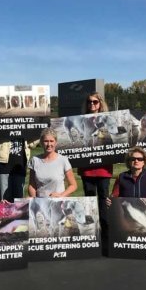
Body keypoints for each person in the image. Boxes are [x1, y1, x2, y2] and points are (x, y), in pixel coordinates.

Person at [77, 92, 113, 236]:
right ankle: (91, 233)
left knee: (104, 201)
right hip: (87, 169)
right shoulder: (80, 120)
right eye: (89, 102)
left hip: (104, 169)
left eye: (95, 102)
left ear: (100, 103)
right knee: (89, 201)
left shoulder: (108, 119)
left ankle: (105, 232)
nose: (92, 104)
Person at [28, 128, 77, 198]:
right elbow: (32, 185)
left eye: (51, 141)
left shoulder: (63, 160)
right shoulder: (35, 160)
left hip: (58, 203)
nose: (49, 144)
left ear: (56, 142)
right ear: (41, 142)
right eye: (46, 141)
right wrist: (34, 199)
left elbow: (73, 185)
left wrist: (61, 195)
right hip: (40, 203)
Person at [0, 138, 35, 202]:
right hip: (3, 164)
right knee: (4, 200)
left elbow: (36, 139)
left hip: (20, 165)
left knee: (18, 201)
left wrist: (30, 143)